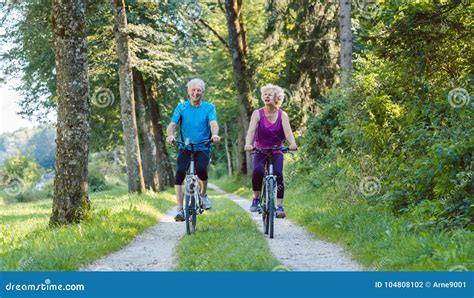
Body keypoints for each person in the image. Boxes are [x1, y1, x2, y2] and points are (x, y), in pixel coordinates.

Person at [166, 78, 220, 222]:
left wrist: (214, 134)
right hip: (185, 146)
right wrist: (170, 135)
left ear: (202, 92)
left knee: (202, 169)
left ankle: (203, 195)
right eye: (193, 90)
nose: (196, 93)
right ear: (188, 91)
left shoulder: (209, 107)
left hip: (203, 146)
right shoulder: (181, 107)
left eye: (199, 90)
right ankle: (180, 209)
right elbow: (172, 124)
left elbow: (213, 123)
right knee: (179, 174)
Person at [244, 84, 297, 218]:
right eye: (265, 94)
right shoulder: (257, 113)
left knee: (278, 173)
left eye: (270, 94)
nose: (267, 96)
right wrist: (248, 144)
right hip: (260, 149)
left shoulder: (282, 115)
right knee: (258, 171)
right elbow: (251, 131)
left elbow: (288, 132)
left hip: (276, 149)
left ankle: (279, 205)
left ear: (277, 98)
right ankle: (256, 198)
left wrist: (292, 143)